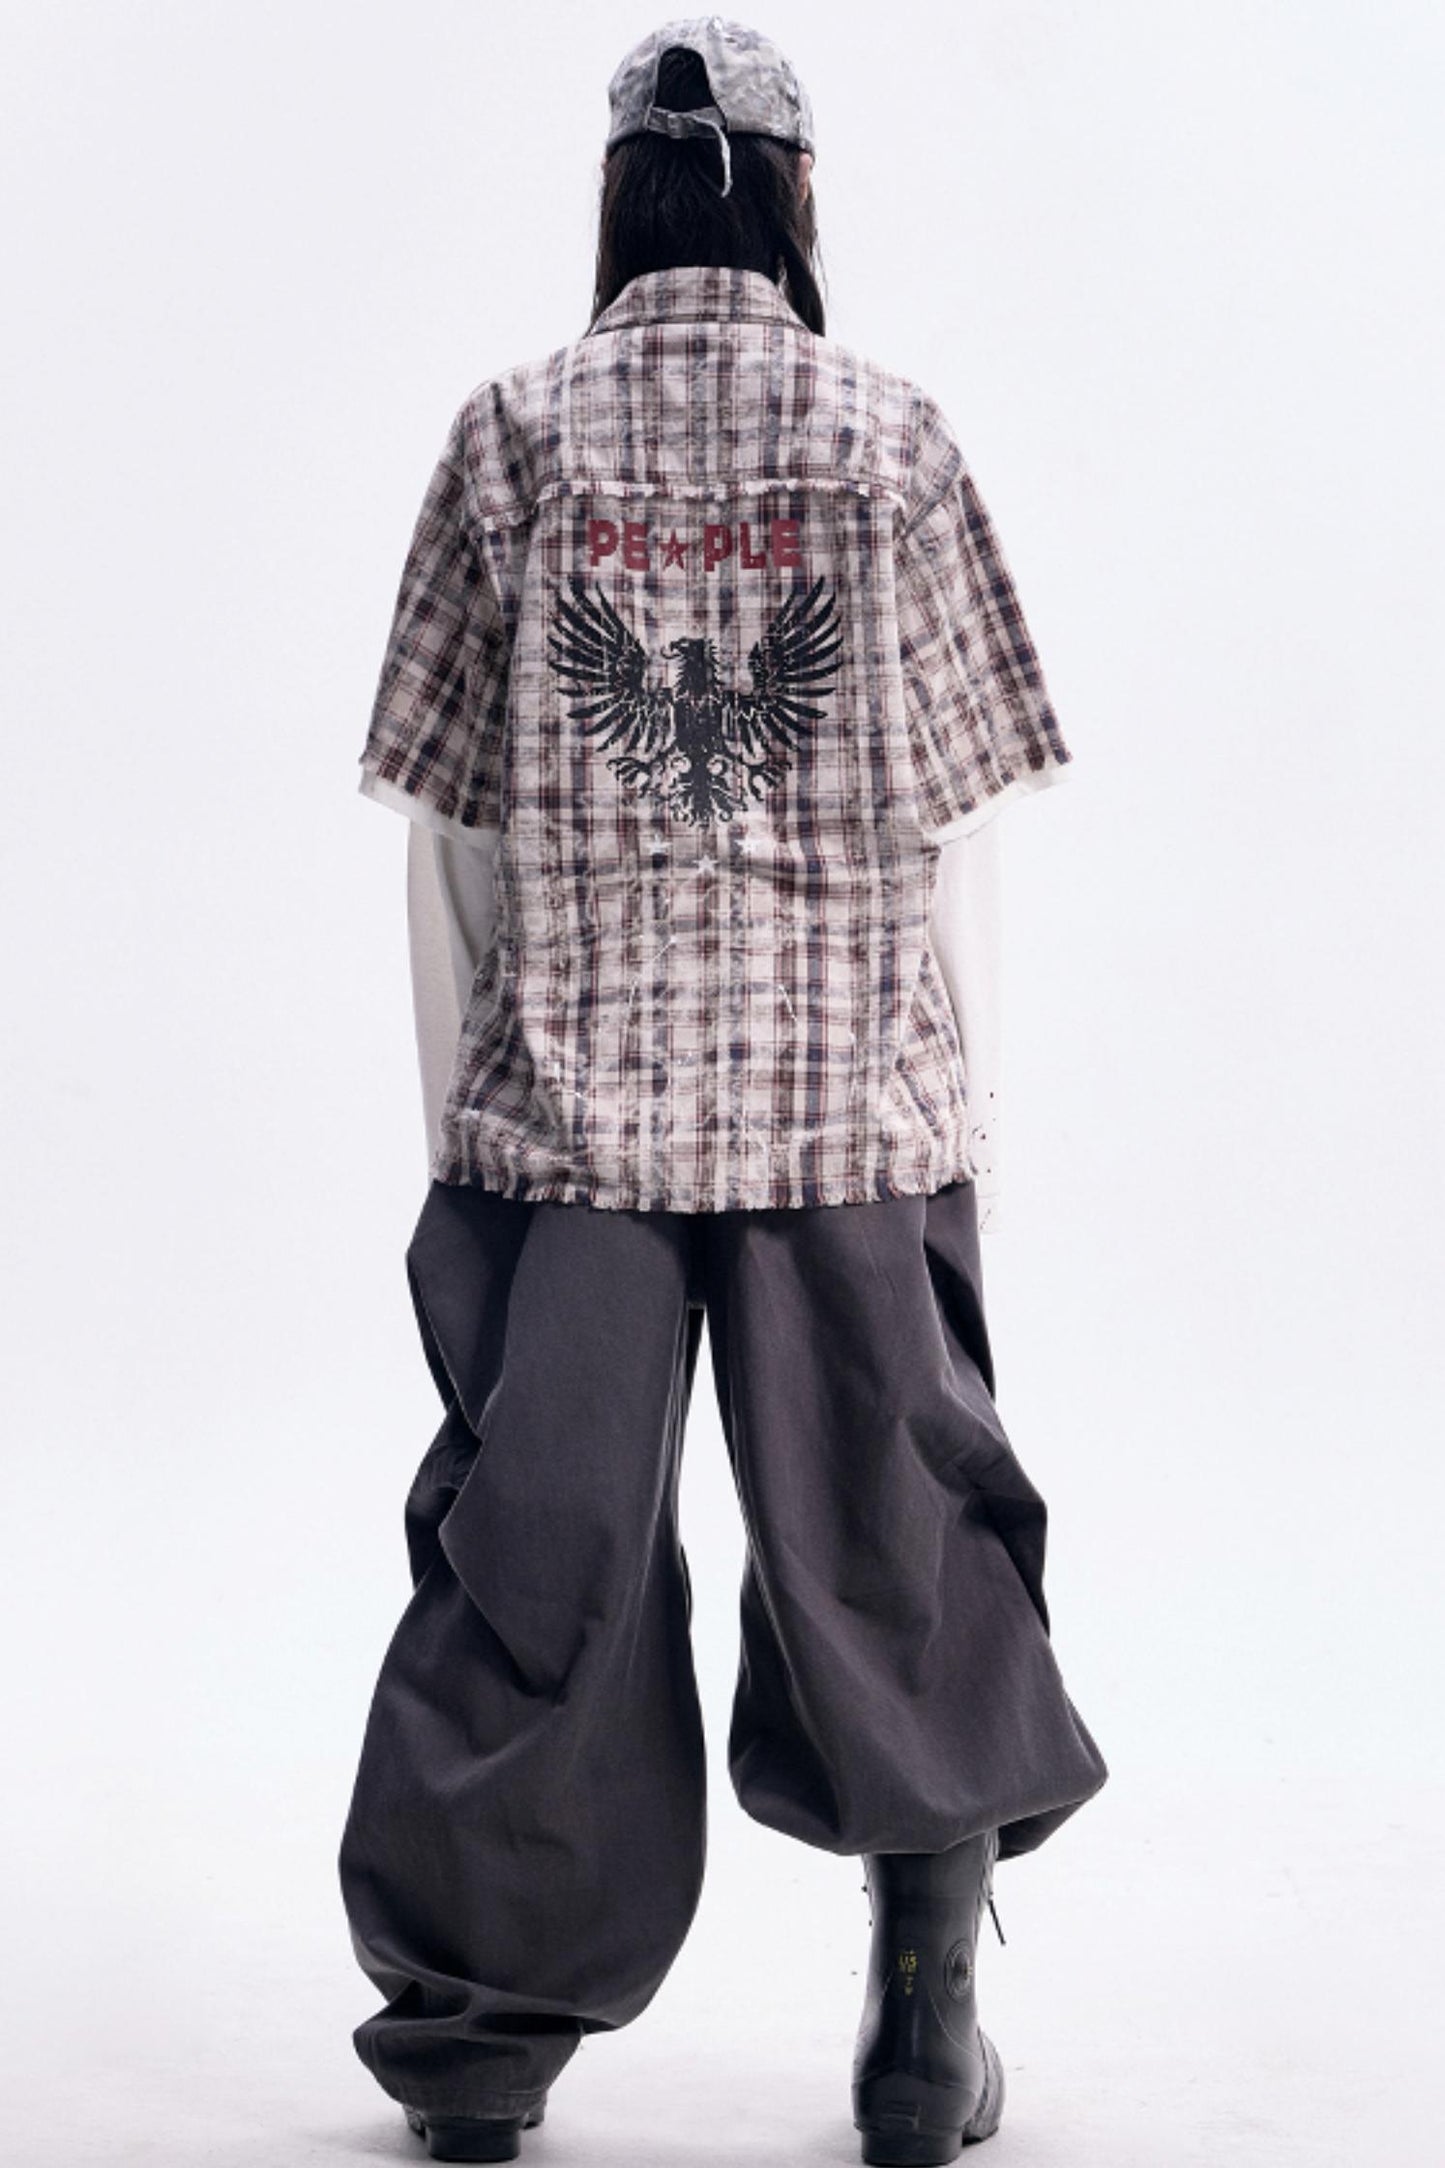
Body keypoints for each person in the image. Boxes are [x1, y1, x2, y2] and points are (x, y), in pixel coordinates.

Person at [337, 18, 1109, 2166]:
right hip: (848, 1105)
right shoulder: (893, 440)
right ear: (797, 197)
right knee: (894, 1546)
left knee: (536, 1564)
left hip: (565, 1121)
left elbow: (453, 838)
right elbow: (956, 836)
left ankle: (480, 2053)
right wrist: (952, 1109)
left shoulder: (509, 437)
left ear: (619, 201)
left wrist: (468, 1119)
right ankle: (920, 2028)